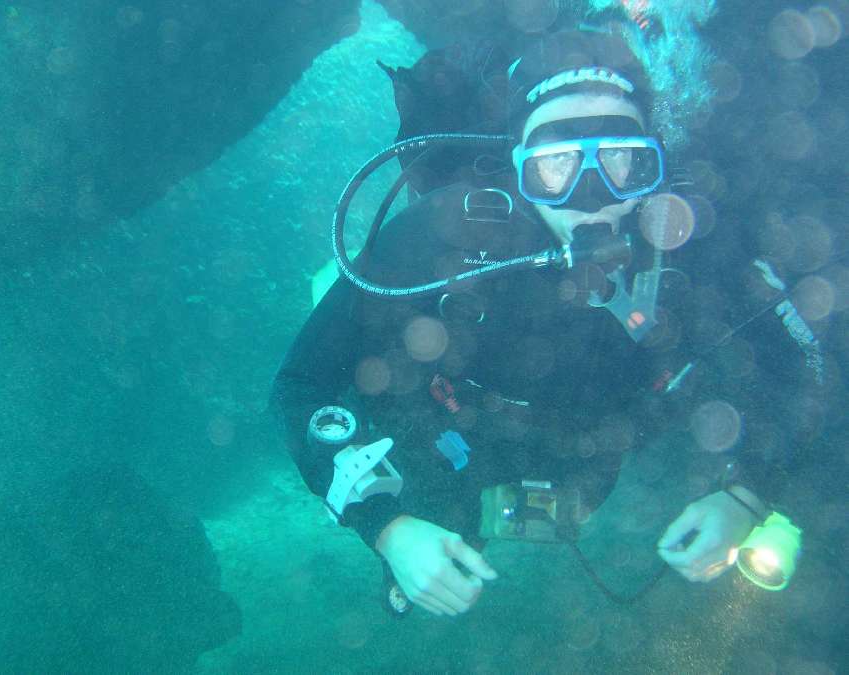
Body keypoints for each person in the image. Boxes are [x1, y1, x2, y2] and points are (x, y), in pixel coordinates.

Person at [270, 25, 820, 616]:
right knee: (422, 552)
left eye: (622, 161)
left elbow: (804, 382)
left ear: (654, 165)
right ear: (518, 169)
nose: (592, 195)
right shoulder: (445, 233)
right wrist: (389, 527)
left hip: (594, 464)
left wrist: (747, 496)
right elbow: (300, 386)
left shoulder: (695, 250)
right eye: (555, 166)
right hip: (450, 445)